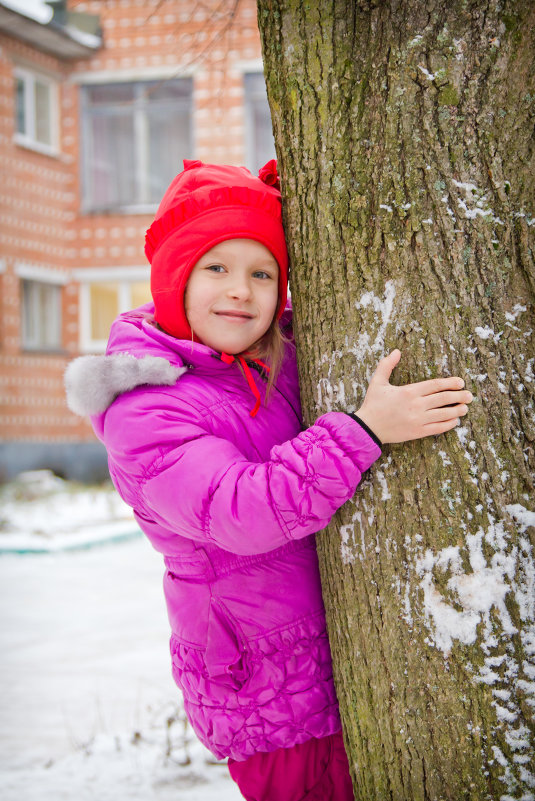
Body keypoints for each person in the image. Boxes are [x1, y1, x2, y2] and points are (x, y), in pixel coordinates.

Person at [65, 159, 473, 801]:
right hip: (264, 689)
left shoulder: (267, 360)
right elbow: (240, 511)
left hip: (335, 659)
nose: (241, 291)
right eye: (216, 269)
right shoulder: (145, 410)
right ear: (176, 283)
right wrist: (363, 431)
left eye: (262, 273)